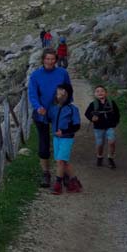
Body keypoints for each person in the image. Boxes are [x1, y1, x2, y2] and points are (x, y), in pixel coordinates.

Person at [28, 48, 72, 187]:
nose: (50, 61)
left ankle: (63, 173)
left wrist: (66, 105)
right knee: (44, 144)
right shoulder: (35, 75)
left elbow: (69, 90)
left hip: (59, 112)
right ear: (43, 59)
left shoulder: (62, 73)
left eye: (52, 59)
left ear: (56, 60)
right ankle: (46, 173)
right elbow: (33, 93)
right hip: (41, 113)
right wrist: (37, 106)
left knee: (61, 142)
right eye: (47, 59)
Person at [47, 83, 83, 194]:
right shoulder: (53, 108)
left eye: (61, 92)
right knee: (64, 162)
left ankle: (58, 185)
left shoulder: (72, 109)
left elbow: (76, 125)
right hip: (56, 138)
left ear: (67, 94)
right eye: (58, 92)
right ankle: (74, 182)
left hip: (67, 138)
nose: (59, 94)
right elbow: (49, 119)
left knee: (60, 161)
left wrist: (64, 131)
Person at [84, 85, 121, 168]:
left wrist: (115, 122)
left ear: (106, 93)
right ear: (95, 94)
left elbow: (117, 113)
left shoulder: (111, 103)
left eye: (102, 91)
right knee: (100, 144)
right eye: (97, 91)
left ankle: (110, 158)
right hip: (98, 127)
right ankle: (99, 156)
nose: (100, 92)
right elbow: (87, 113)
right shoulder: (93, 104)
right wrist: (92, 118)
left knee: (112, 142)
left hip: (110, 126)